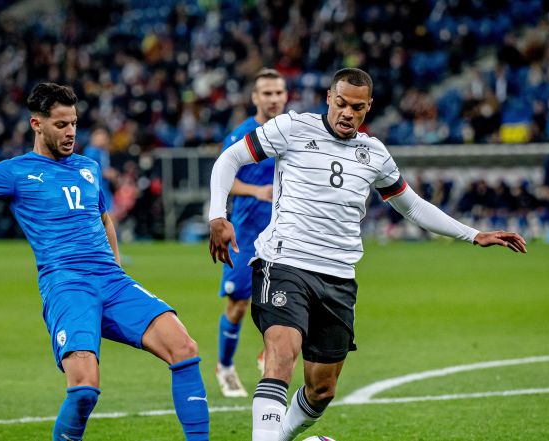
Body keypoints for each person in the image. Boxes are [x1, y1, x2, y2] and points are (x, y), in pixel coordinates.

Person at [208, 68, 527, 441]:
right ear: (329, 98)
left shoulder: (374, 154)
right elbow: (229, 159)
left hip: (338, 278)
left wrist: (473, 235)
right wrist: (217, 215)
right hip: (284, 263)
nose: (347, 113)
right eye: (341, 103)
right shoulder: (292, 128)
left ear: (368, 107)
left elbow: (412, 206)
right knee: (281, 356)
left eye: (357, 108)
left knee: (322, 390)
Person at [0, 83, 209, 441]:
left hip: (112, 282)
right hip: (67, 287)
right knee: (85, 390)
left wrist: (117, 267)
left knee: (184, 348)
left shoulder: (88, 168)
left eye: (74, 123)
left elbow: (104, 219)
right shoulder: (14, 172)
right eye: (61, 125)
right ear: (36, 124)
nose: (70, 132)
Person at [215, 68, 288, 398]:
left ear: (285, 96)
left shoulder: (293, 131)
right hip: (246, 234)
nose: (273, 99)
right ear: (255, 97)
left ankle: (267, 354)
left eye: (278, 92)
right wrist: (256, 191)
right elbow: (223, 177)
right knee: (238, 304)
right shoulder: (242, 135)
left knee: (291, 299)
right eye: (267, 93)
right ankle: (225, 366)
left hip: (285, 233)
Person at [81, 127, 115, 213]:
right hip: (95, 190)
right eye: (99, 135)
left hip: (104, 188)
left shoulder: (103, 151)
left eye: (104, 136)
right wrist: (105, 173)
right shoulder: (90, 151)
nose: (103, 138)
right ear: (93, 137)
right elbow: (87, 171)